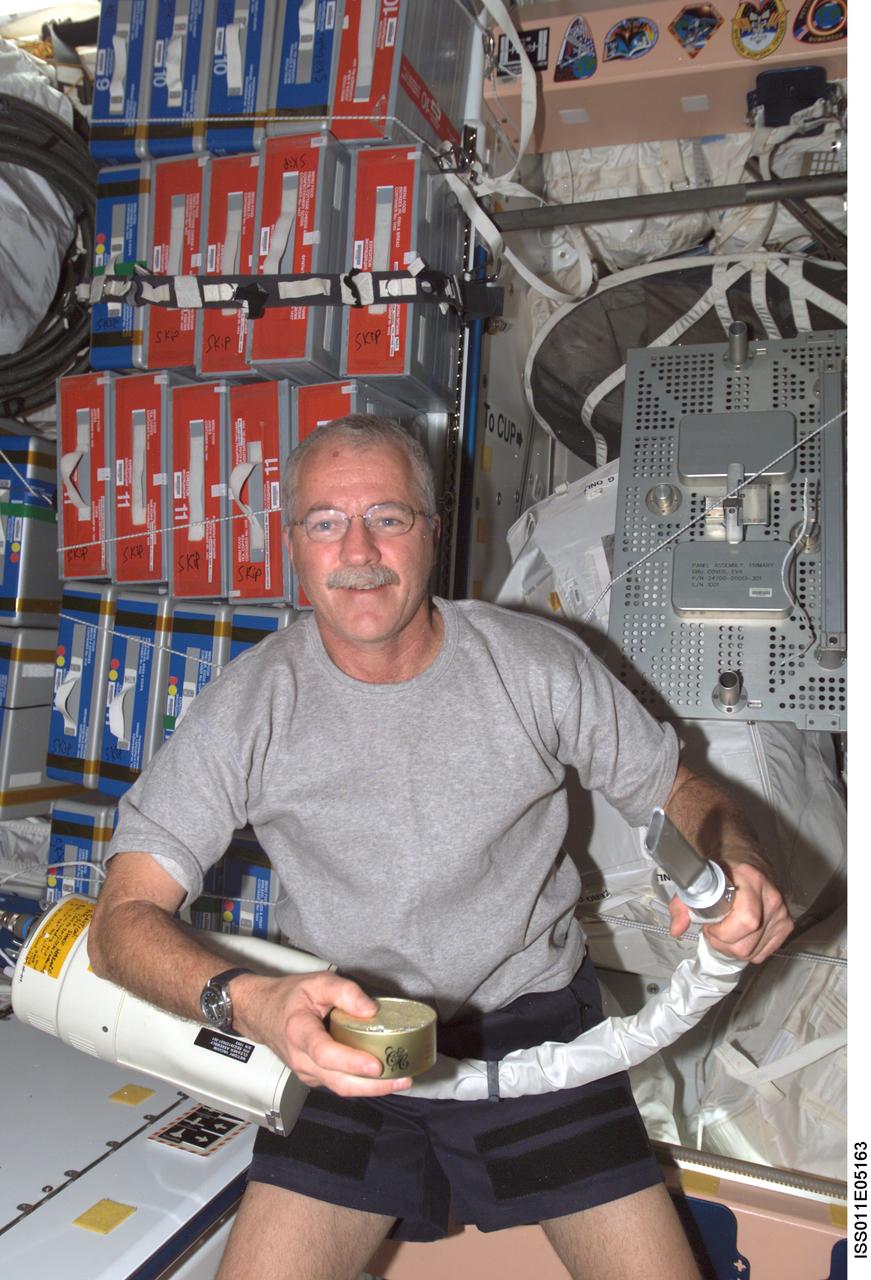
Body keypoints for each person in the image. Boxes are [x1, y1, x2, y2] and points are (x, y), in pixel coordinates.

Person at [88, 415, 794, 1280]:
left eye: (387, 517)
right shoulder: (245, 710)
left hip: (533, 1026)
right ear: (291, 543)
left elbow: (679, 790)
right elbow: (119, 922)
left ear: (430, 532)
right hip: (345, 1033)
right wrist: (254, 1004)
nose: (358, 551)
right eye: (325, 522)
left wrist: (738, 861)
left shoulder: (534, 665)